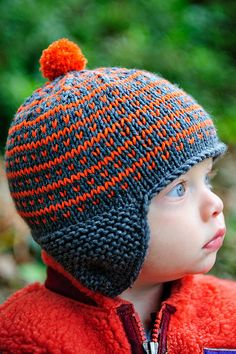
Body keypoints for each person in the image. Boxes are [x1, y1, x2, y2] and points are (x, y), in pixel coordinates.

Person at [0, 38, 236, 354]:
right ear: (100, 228)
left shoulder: (229, 316)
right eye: (179, 189)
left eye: (207, 179)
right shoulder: (27, 340)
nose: (215, 204)